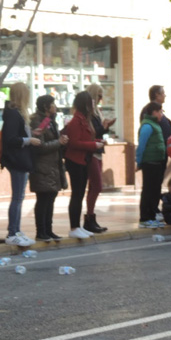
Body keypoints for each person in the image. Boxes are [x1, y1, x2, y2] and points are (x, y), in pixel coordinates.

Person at [0, 83, 39, 247]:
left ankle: (16, 230)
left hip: (20, 159)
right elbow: (10, 139)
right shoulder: (13, 114)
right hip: (17, 160)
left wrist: (32, 134)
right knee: (17, 197)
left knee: (19, 197)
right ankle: (12, 232)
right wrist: (29, 140)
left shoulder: (17, 114)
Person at [63, 91, 104, 239]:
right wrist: (94, 145)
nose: (93, 105)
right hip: (75, 160)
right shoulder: (76, 121)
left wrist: (96, 143)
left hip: (83, 159)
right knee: (77, 194)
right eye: (90, 102)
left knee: (80, 194)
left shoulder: (84, 120)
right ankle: (74, 227)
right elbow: (74, 143)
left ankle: (78, 226)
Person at [29, 95, 68, 242]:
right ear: (46, 106)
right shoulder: (38, 121)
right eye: (53, 104)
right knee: (43, 198)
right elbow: (40, 146)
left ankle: (49, 230)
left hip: (53, 166)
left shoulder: (51, 121)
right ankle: (41, 231)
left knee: (51, 197)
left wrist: (61, 142)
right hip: (42, 167)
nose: (55, 106)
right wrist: (59, 142)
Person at [84, 83, 115, 233]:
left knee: (95, 187)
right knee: (96, 185)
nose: (101, 99)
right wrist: (104, 127)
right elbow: (92, 132)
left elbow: (97, 131)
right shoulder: (89, 113)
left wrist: (106, 126)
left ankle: (91, 217)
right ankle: (89, 217)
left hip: (97, 150)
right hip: (91, 152)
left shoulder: (96, 112)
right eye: (99, 96)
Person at [136, 101, 166, 228]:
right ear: (154, 112)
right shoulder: (148, 126)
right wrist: (139, 161)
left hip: (157, 161)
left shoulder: (154, 124)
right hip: (150, 162)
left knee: (154, 190)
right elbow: (141, 145)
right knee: (148, 190)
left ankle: (152, 216)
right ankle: (144, 218)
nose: (161, 114)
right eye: (160, 111)